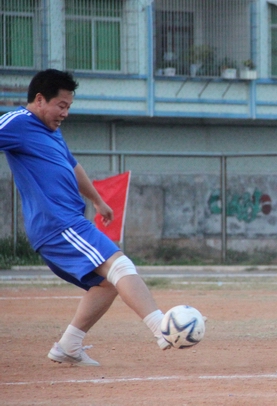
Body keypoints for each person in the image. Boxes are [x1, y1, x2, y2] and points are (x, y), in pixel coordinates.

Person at [0, 69, 173, 367]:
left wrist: (98, 200)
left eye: (69, 106)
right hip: (57, 224)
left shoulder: (51, 130)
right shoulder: (17, 122)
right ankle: (163, 328)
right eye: (61, 105)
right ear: (39, 100)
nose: (65, 113)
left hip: (67, 222)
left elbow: (72, 165)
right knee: (120, 265)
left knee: (107, 283)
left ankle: (68, 346)